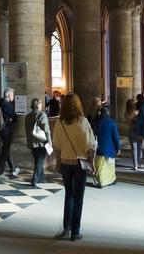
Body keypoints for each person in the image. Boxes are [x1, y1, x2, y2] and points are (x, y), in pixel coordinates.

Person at [51, 93, 97, 241]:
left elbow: (56, 145)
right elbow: (90, 145)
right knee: (78, 197)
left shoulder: (60, 122)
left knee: (68, 195)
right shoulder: (82, 121)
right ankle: (75, 231)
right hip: (80, 164)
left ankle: (67, 228)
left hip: (65, 162)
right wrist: (93, 163)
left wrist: (58, 162)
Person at [0, 87, 20, 178]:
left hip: (1, 129)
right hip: (6, 130)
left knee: (6, 149)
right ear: (9, 95)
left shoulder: (0, 102)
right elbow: (15, 117)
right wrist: (11, 118)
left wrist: (11, 118)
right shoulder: (7, 105)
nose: (13, 96)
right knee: (5, 151)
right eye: (13, 95)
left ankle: (13, 168)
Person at [25, 97, 51, 186]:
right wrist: (49, 141)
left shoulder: (28, 116)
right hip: (41, 142)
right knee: (40, 160)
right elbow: (46, 130)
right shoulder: (41, 115)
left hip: (32, 142)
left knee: (37, 159)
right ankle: (35, 179)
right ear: (38, 105)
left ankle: (41, 178)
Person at [93, 105, 120, 187]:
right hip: (109, 149)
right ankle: (110, 180)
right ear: (108, 112)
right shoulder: (111, 122)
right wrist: (117, 147)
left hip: (99, 148)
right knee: (109, 166)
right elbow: (116, 137)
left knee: (100, 167)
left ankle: (100, 181)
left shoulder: (97, 122)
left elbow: (93, 135)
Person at [125, 99, 143, 170]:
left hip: (131, 131)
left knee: (133, 149)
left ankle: (135, 165)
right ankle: (140, 163)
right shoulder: (137, 112)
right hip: (139, 131)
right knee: (140, 148)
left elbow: (128, 119)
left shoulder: (126, 113)